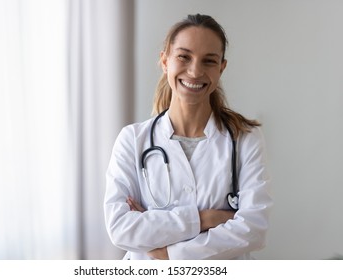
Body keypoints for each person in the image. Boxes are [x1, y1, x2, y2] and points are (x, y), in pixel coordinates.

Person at [104, 14, 272, 260]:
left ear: (221, 68)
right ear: (164, 61)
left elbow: (253, 229)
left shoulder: (245, 139)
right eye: (184, 56)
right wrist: (206, 219)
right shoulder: (132, 140)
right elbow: (121, 229)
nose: (195, 71)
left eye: (209, 61)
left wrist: (170, 254)